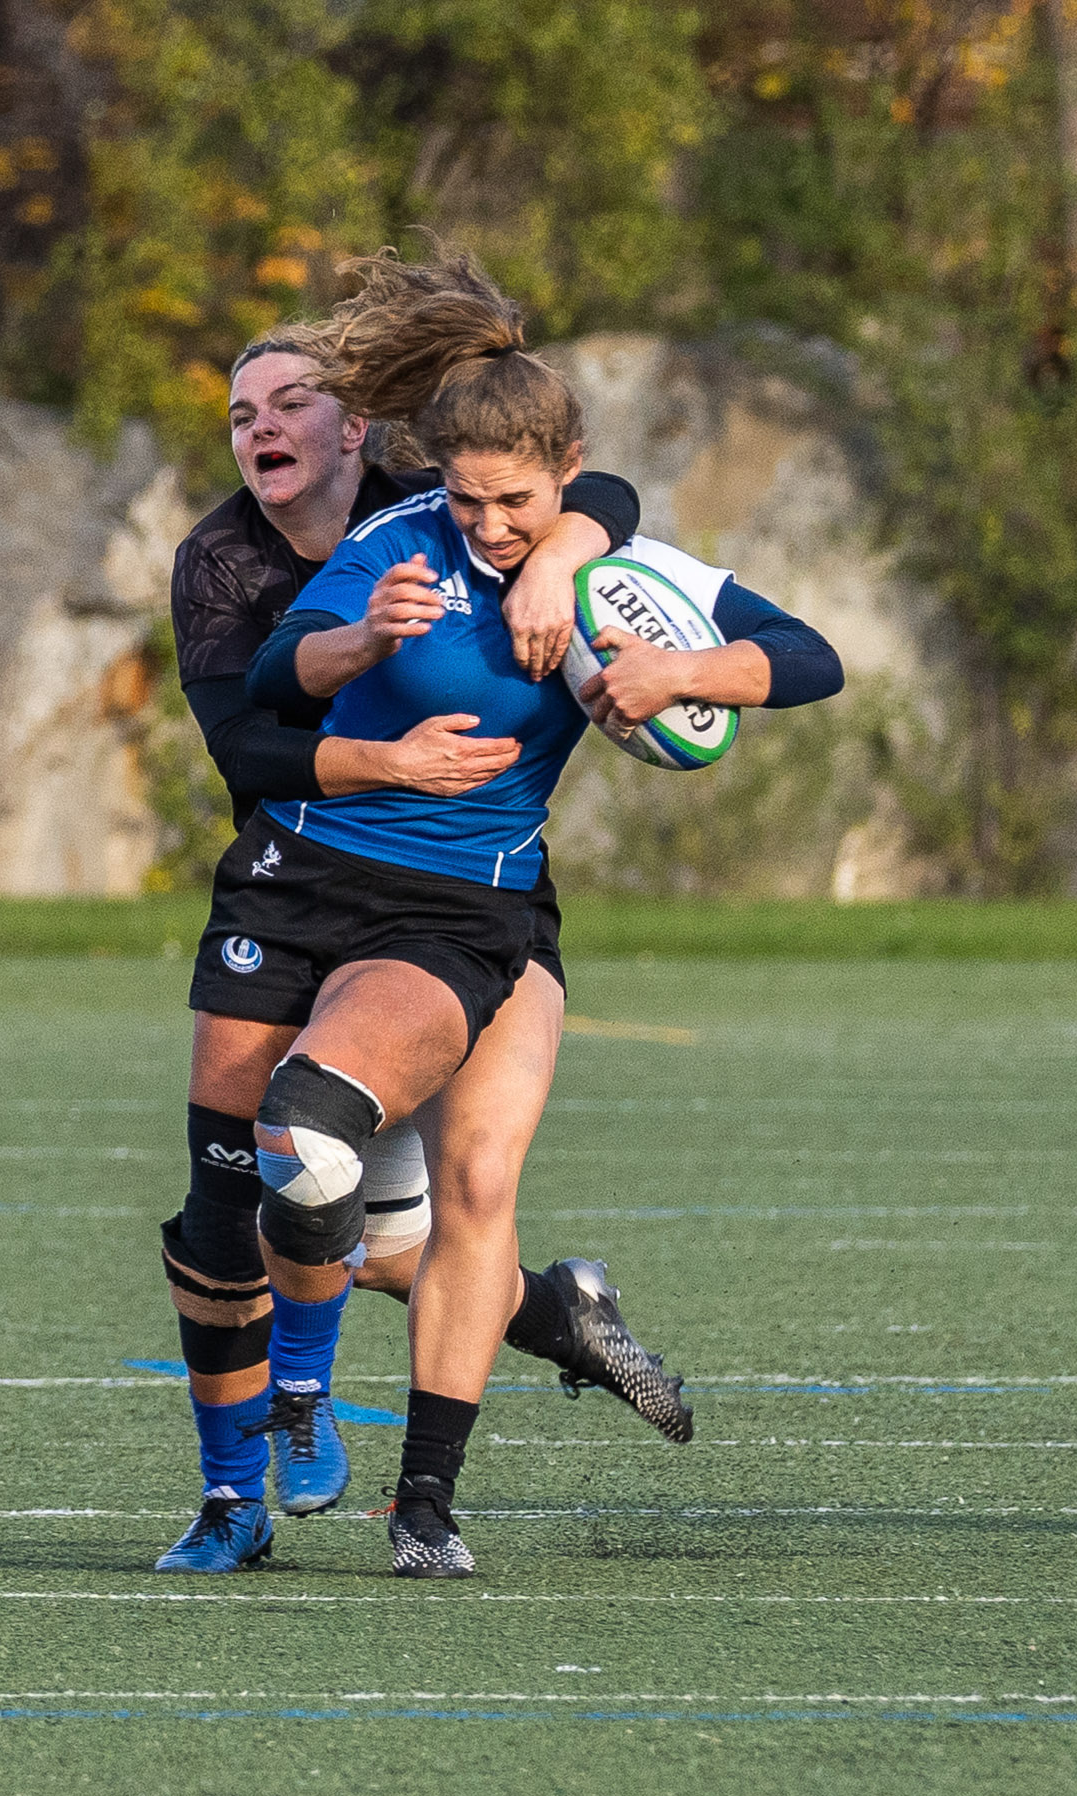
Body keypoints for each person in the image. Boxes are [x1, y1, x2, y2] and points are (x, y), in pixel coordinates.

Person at [237, 250, 844, 1577]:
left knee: (470, 1181)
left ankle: (426, 1512)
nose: (492, 525)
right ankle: (475, 1337)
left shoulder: (617, 567)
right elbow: (285, 670)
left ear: (569, 470)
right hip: (333, 895)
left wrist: (683, 666)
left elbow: (810, 658)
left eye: (519, 502)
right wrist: (369, 640)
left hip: (485, 913)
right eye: (470, 499)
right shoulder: (401, 545)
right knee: (331, 1188)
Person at [156, 324, 693, 1575]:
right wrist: (387, 753)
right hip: (293, 892)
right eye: (240, 414)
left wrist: (561, 558)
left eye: (291, 402)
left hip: (458, 909)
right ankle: (245, 1497)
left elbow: (595, 493)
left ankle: (378, 1460)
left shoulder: (438, 501)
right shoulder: (222, 561)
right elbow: (249, 747)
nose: (261, 428)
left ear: (359, 432)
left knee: (446, 1199)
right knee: (252, 1214)